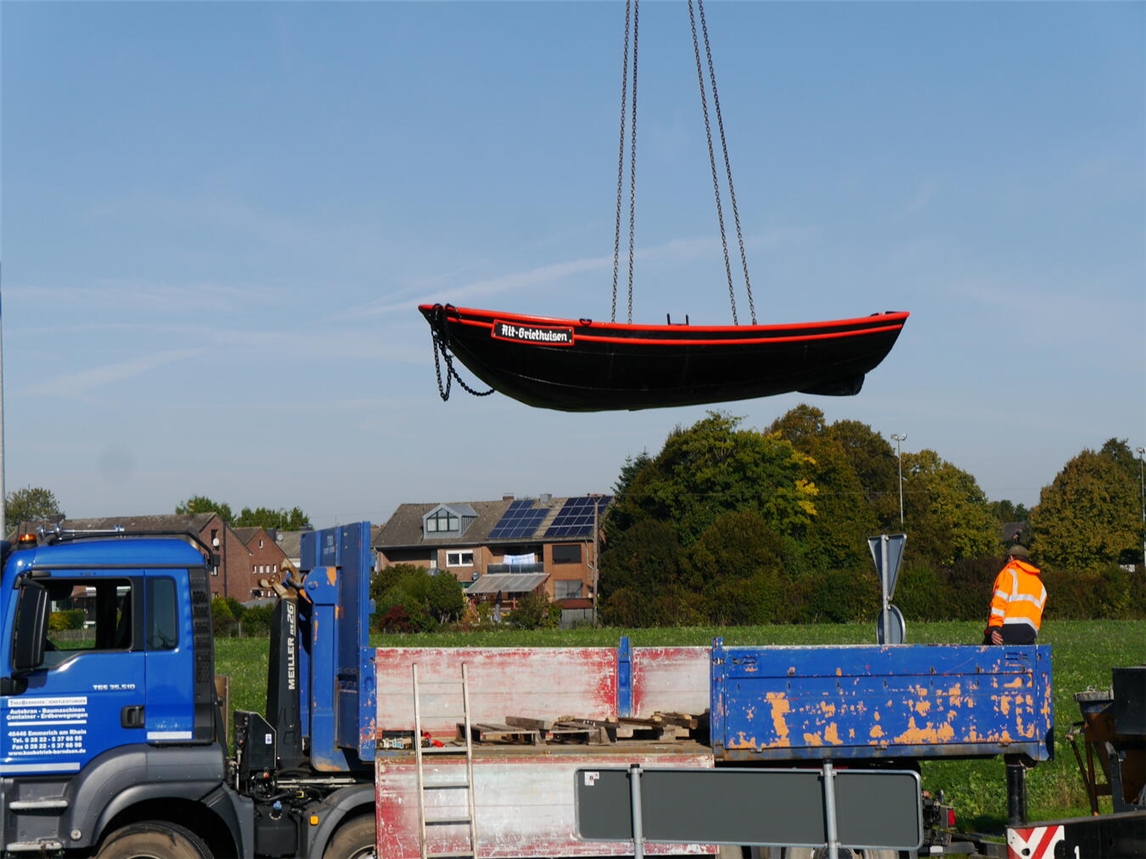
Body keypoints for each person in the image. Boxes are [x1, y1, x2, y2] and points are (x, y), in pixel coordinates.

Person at [986, 544, 1046, 645]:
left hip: (1006, 629)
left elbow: (998, 603)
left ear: (1011, 558)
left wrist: (994, 629)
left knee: (987, 648)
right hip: (1029, 633)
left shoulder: (1008, 574)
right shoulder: (1039, 584)